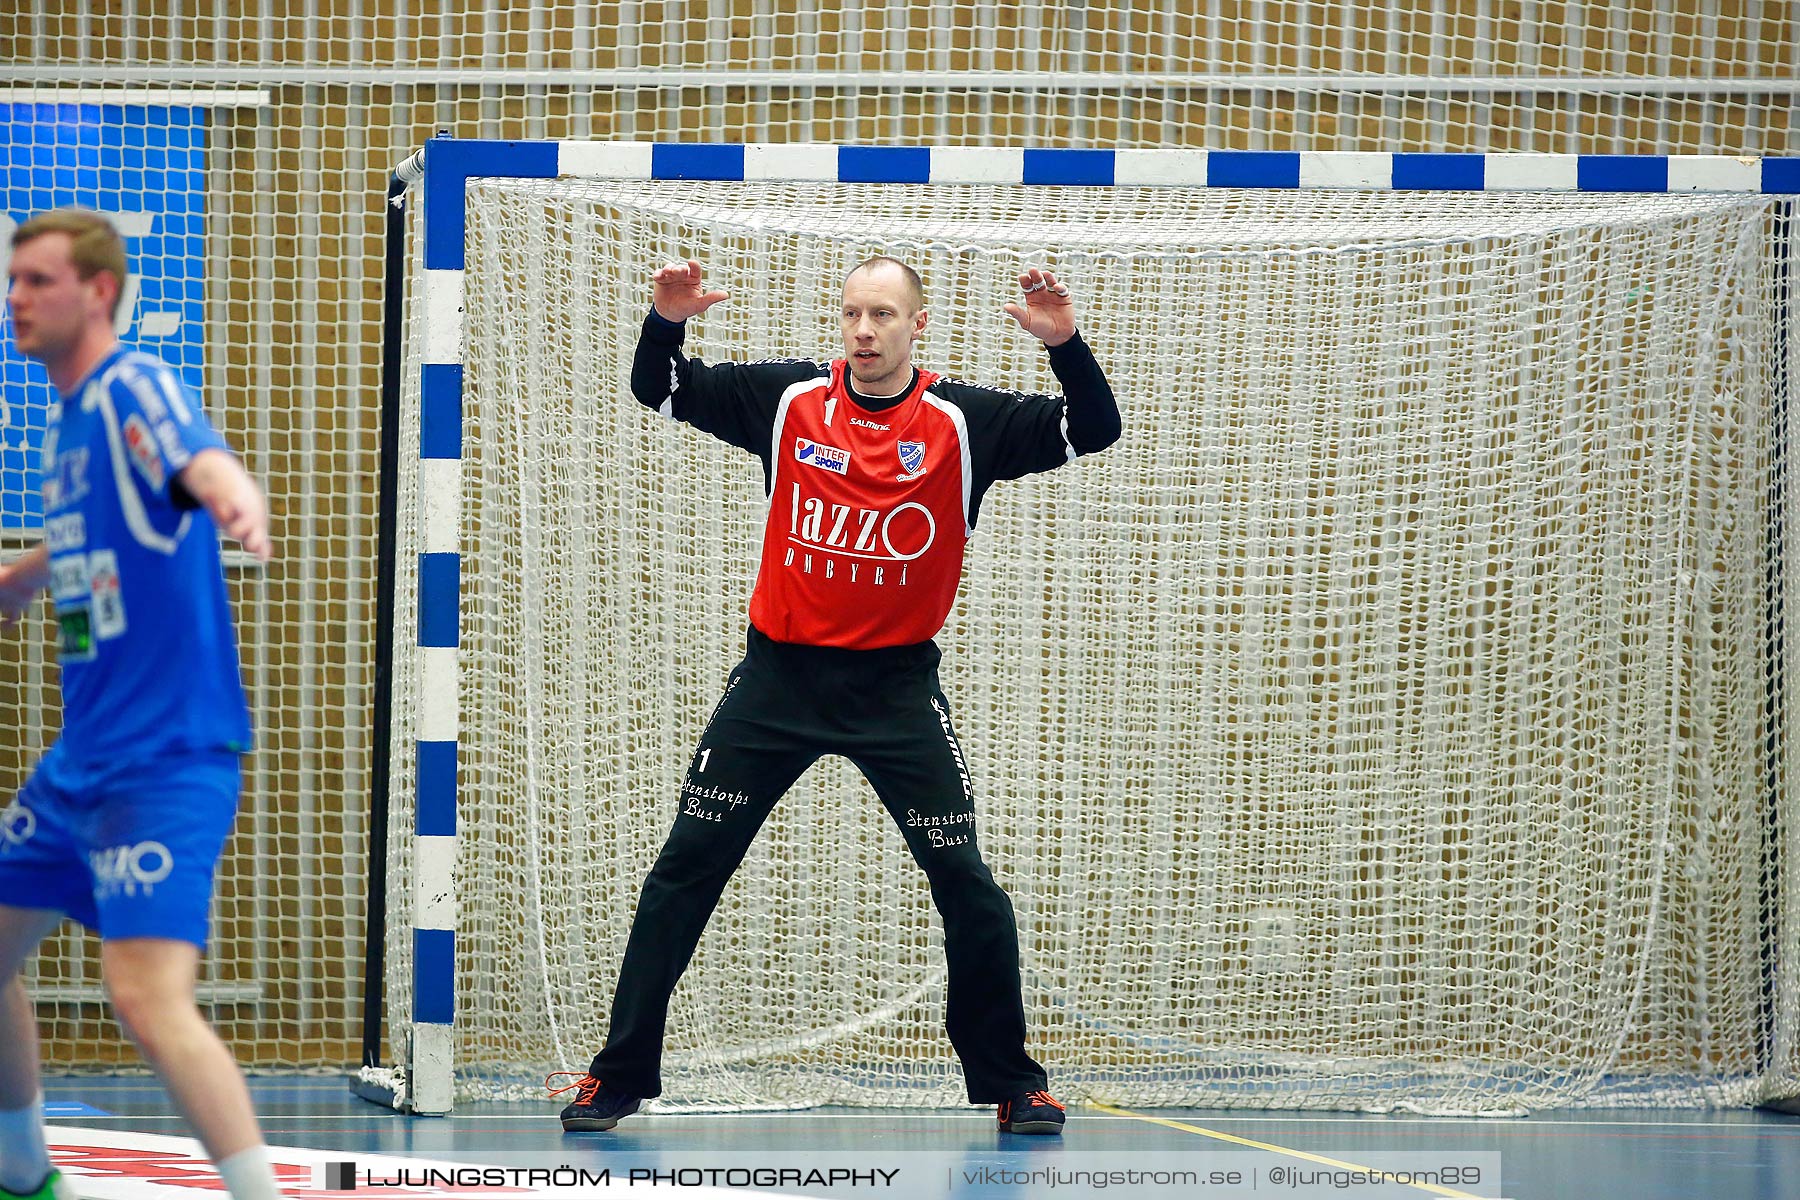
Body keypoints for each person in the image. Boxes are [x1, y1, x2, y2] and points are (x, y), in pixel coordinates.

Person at [549, 255, 1120, 1137]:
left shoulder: (963, 422)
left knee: (968, 884)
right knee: (683, 871)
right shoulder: (790, 403)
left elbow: (1095, 430)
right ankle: (617, 1075)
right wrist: (667, 320)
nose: (864, 330)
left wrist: (1064, 345)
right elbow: (657, 390)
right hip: (777, 683)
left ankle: (1013, 1082)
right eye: (853, 312)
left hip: (894, 693)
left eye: (884, 314)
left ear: (916, 325)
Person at [0, 210, 277, 1200]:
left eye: (37, 281)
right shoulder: (68, 420)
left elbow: (192, 459)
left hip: (165, 759)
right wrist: (29, 574)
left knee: (146, 999)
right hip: (83, 759)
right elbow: (108, 532)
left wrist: (233, 493)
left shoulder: (132, 385)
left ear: (99, 291)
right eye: (13, 279)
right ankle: (25, 1171)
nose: (15, 298)